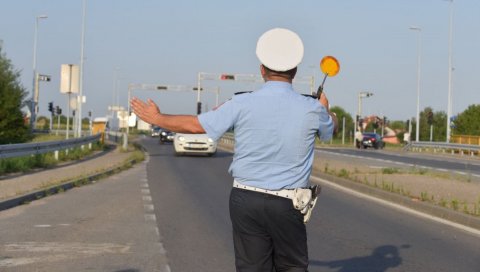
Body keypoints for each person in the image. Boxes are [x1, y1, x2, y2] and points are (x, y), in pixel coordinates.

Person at [131, 28, 337, 272]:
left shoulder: (241, 102)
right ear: (295, 71)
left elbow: (197, 126)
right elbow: (329, 130)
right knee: (292, 267)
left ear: (262, 70)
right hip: (287, 204)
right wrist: (326, 109)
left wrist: (158, 117)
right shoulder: (311, 109)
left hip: (245, 199)